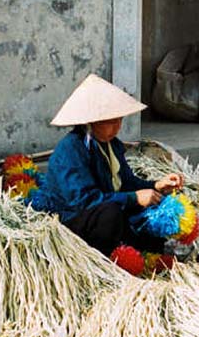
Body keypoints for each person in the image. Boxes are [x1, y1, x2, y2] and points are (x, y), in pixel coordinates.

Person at [29, 73, 185, 274]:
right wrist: (133, 198)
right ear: (90, 122)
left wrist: (156, 186)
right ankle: (106, 263)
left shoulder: (111, 146)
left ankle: (153, 254)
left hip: (104, 209)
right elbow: (84, 201)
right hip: (71, 220)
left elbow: (127, 183)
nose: (117, 128)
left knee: (157, 206)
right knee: (110, 215)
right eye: (109, 122)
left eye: (119, 120)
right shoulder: (71, 150)